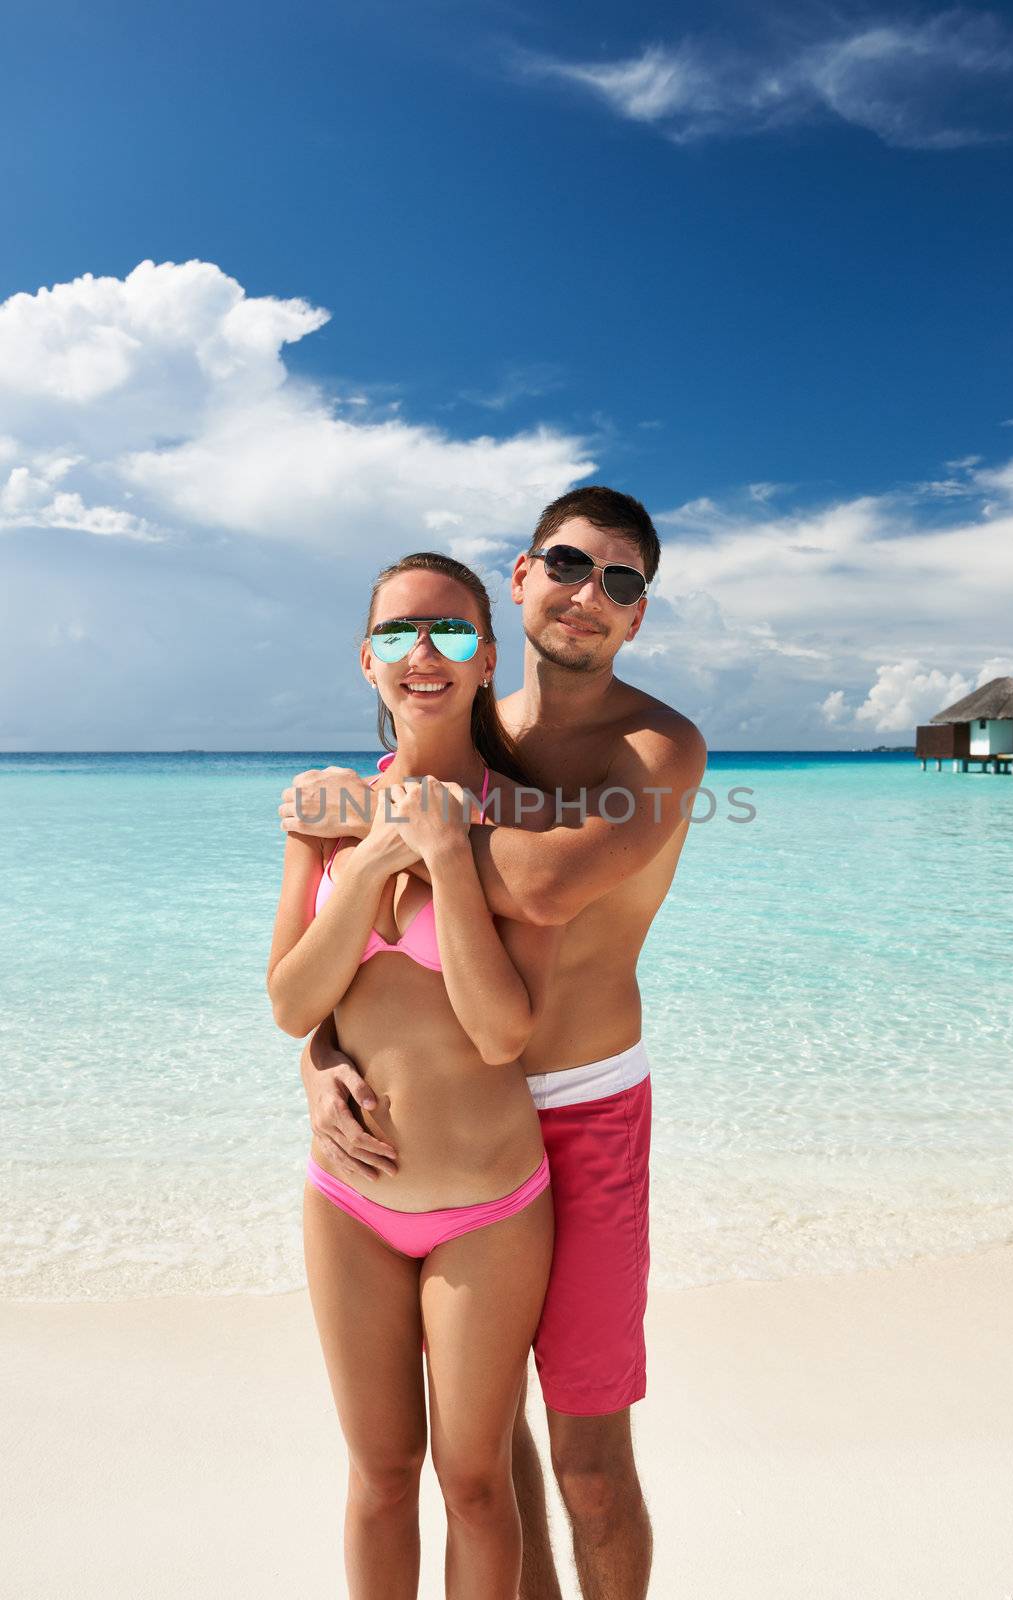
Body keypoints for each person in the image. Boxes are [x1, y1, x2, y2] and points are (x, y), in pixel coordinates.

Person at [283, 485, 708, 1600]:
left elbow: (551, 884)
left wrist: (369, 819)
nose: (590, 595)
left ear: (638, 618)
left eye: (622, 582)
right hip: (455, 1118)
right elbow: (366, 975)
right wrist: (320, 1061)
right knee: (482, 1452)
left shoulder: (659, 747)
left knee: (588, 1462)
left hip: (588, 1113)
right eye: (569, 565)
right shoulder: (470, 727)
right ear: (520, 579)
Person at [268, 550, 564, 1600]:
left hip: (488, 1208)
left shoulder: (527, 819)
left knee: (477, 1483)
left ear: (489, 660)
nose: (423, 653)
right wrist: (373, 866)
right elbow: (294, 1002)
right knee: (381, 1476)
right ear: (366, 661)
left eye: (450, 632)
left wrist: (444, 857)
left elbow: (500, 1033)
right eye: (398, 633)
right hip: (348, 1200)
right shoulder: (325, 808)